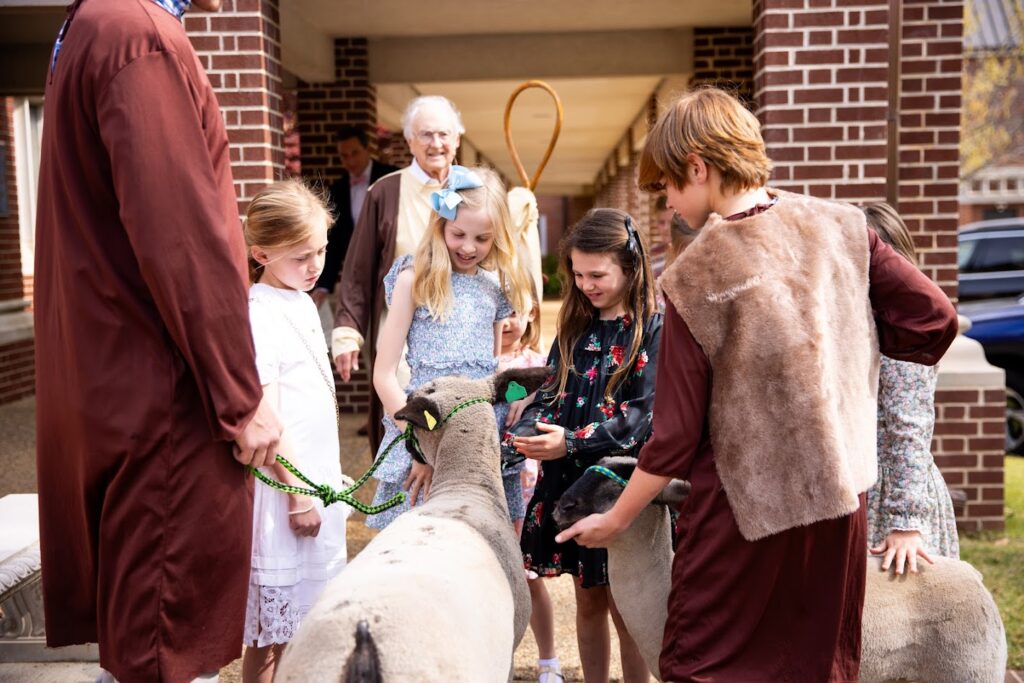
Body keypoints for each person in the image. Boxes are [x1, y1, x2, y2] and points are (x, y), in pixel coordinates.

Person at [557, 88, 958, 682]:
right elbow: (934, 321)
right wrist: (844, 360)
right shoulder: (844, 227)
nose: (666, 199)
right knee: (815, 667)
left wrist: (616, 521)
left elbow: (673, 438)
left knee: (702, 667)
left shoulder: (694, 275)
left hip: (742, 512)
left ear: (698, 167)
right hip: (839, 502)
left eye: (667, 184)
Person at [33, 0, 282, 680]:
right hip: (165, 398)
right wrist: (239, 395)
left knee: (138, 649)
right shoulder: (136, 34)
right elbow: (181, 235)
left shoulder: (89, 28)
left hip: (115, 383)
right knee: (161, 655)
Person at [505, 209, 661, 683]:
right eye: (577, 274)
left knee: (624, 605)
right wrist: (531, 430)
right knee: (588, 595)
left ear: (630, 268)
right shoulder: (574, 327)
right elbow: (552, 392)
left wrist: (570, 441)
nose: (586, 284)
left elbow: (642, 417)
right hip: (568, 484)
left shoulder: (652, 329)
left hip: (617, 487)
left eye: (598, 274)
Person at [365, 165, 533, 528]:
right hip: (425, 428)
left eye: (483, 238)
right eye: (458, 234)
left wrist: (519, 392)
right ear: (440, 224)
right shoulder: (416, 280)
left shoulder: (494, 286)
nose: (469, 247)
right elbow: (383, 375)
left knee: (486, 545)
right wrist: (421, 443)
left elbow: (492, 366)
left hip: (481, 436)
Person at [241, 180, 349, 683]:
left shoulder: (303, 302)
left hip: (315, 481)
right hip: (286, 490)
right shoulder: (260, 311)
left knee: (307, 625)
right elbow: (268, 411)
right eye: (301, 256)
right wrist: (298, 494)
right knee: (273, 635)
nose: (315, 266)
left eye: (322, 251)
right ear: (261, 253)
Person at [331, 95, 466, 452]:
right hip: (403, 339)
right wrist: (347, 330)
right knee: (412, 425)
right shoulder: (385, 191)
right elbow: (358, 269)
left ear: (457, 140)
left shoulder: (473, 190)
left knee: (462, 425)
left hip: (464, 332)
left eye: (443, 134)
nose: (435, 144)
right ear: (410, 141)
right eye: (425, 135)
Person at [862, 202, 960, 570]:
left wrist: (905, 521)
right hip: (865, 490)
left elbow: (909, 427)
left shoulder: (904, 335)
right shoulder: (868, 327)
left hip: (894, 500)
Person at [496, 291, 562, 683]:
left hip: (526, 486)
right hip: (491, 485)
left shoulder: (539, 365)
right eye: (498, 314)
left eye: (514, 313)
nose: (506, 323)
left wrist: (536, 393)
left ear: (532, 312)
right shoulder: (477, 363)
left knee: (528, 577)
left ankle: (549, 660)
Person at [310, 126, 398, 312]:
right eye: (344, 155)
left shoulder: (392, 178)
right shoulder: (337, 190)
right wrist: (325, 285)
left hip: (393, 269)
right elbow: (332, 241)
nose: (350, 160)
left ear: (368, 149)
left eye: (354, 153)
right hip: (356, 275)